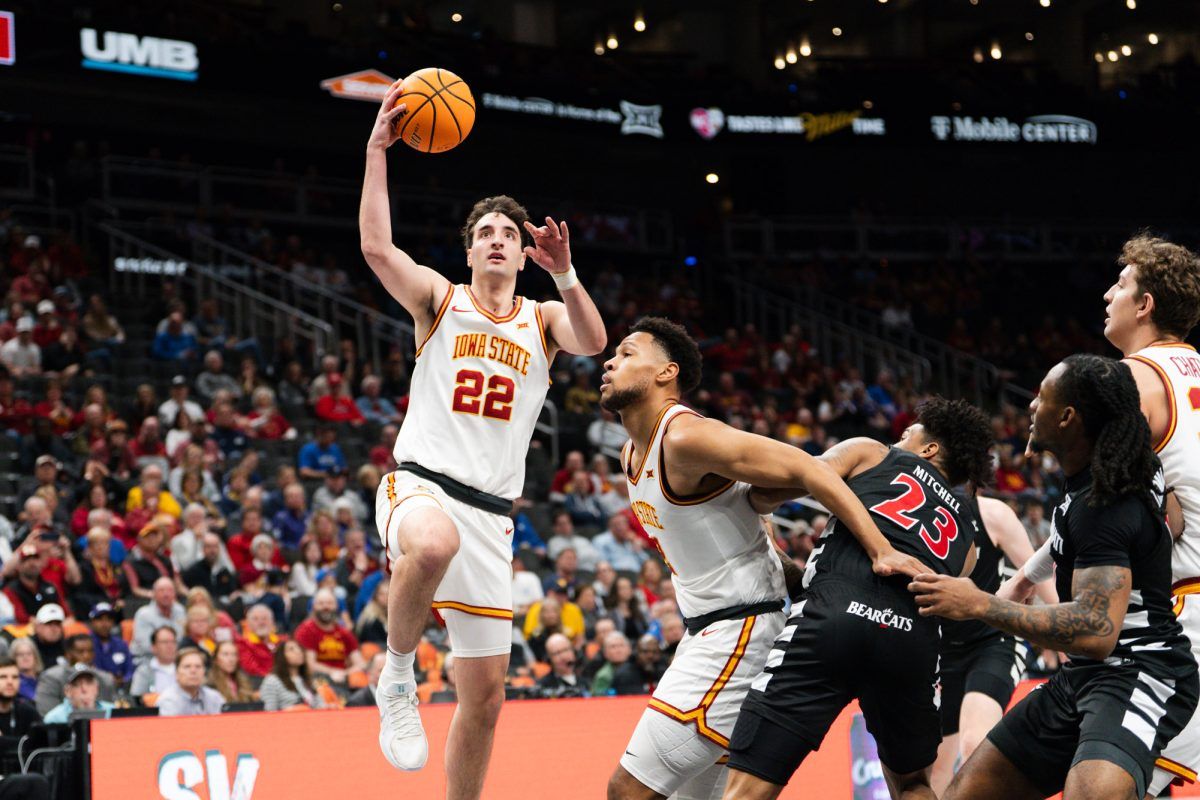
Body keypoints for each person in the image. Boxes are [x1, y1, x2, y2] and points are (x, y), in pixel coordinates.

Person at [361, 78, 606, 792]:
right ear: (468, 252)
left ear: (524, 255)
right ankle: (397, 676)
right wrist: (377, 151)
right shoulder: (440, 300)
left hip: (493, 516)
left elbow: (594, 340)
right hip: (420, 486)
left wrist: (567, 273)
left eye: (509, 235)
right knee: (434, 543)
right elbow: (377, 248)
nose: (497, 241)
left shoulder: (542, 319)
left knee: (486, 701)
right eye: (485, 234)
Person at [598, 316, 911, 800]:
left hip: (737, 634)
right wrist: (786, 568)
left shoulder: (685, 437)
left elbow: (808, 468)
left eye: (626, 353)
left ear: (666, 372)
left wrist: (880, 548)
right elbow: (740, 520)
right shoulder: (629, 454)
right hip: (711, 630)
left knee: (628, 791)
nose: (609, 362)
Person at [912, 355, 1199, 800]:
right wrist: (1026, 578)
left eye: (1042, 397)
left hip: (1139, 672)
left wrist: (980, 603)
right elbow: (1170, 516)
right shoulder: (1112, 468)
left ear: (1067, 417)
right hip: (1080, 678)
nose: (1030, 406)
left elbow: (1095, 630)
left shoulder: (1105, 501)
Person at [721, 394, 994, 800]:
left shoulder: (871, 451)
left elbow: (766, 493)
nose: (898, 440)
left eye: (907, 434)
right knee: (914, 783)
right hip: (911, 642)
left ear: (929, 449)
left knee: (748, 785)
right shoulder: (969, 539)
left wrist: (758, 514)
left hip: (835, 617)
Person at [929, 494, 1059, 794]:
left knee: (975, 743)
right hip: (941, 652)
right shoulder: (915, 509)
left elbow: (1035, 571)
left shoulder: (992, 513)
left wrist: (1065, 638)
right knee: (934, 769)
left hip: (992, 641)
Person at [294, 588, 364, 684]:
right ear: (313, 606)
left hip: (343, 680)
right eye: (321, 603)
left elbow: (360, 663)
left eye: (330, 603)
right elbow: (310, 666)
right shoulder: (306, 630)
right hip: (316, 681)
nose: (326, 607)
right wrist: (333, 672)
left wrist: (345, 673)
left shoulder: (344, 632)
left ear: (337, 606)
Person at [34, 633, 117, 715]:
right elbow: (48, 714)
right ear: (68, 654)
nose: (86, 656)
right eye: (80, 651)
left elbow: (109, 713)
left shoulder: (105, 678)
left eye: (90, 651)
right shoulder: (51, 677)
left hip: (99, 722)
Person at [156, 648, 225, 716]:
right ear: (176, 673)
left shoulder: (214, 697)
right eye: (187, 667)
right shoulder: (168, 701)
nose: (193, 671)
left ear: (204, 672)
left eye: (198, 666)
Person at [131, 577, 186, 661]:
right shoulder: (144, 614)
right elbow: (146, 646)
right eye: (161, 590)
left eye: (170, 590)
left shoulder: (180, 610)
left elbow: (183, 638)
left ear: (175, 593)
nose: (166, 594)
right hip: (146, 659)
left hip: (175, 658)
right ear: (153, 594)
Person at [259, 640, 324, 711]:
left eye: (299, 648)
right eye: (291, 649)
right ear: (281, 656)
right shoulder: (272, 681)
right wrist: (290, 711)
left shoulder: (308, 678)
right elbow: (269, 711)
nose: (298, 652)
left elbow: (320, 704)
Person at [0, 656, 40, 761]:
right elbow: (28, 743)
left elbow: (39, 743)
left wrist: (3, 741)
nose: (10, 682)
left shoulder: (27, 710)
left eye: (15, 677)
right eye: (3, 677)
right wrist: (22, 742)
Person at [42, 665, 113, 723]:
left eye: (89, 683)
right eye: (77, 684)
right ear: (67, 691)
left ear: (96, 689)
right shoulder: (55, 719)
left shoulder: (112, 712)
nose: (84, 689)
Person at [88, 602, 133, 688]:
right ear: (92, 621)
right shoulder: (86, 644)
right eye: (100, 619)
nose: (104, 624)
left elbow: (130, 670)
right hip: (96, 688)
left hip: (121, 688)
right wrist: (109, 679)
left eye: (109, 619)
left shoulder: (121, 644)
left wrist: (124, 680)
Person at [130, 626, 179, 701]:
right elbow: (136, 698)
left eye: (173, 642)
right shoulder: (144, 671)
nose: (170, 646)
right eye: (165, 642)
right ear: (154, 647)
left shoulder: (187, 668)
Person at [237, 603, 284, 678]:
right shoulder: (243, 644)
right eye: (256, 619)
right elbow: (252, 669)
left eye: (265, 618)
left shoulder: (282, 642)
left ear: (272, 622)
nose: (261, 622)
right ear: (248, 624)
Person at [208, 640, 256, 705]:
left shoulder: (243, 681)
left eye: (234, 654)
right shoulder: (210, 684)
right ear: (216, 659)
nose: (231, 659)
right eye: (225, 654)